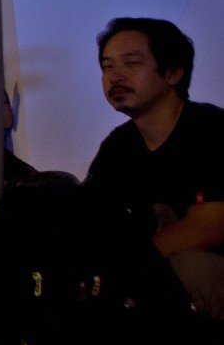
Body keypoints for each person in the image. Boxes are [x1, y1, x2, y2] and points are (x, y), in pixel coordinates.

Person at [85, 17, 224, 319]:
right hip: (154, 282)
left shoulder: (212, 130)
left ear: (173, 72)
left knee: (191, 267)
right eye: (107, 67)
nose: (115, 76)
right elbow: (88, 217)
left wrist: (122, 266)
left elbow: (208, 227)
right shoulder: (119, 146)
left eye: (131, 63)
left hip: (207, 276)